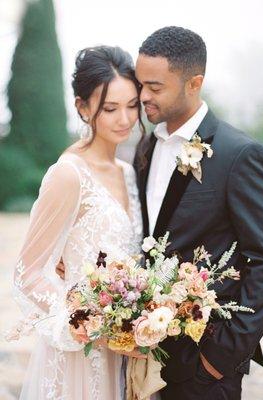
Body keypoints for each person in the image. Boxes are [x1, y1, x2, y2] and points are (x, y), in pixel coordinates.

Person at [132, 26, 263, 399]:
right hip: (141, 353)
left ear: (194, 83)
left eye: (155, 88)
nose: (143, 97)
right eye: (140, 85)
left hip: (204, 366)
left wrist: (220, 357)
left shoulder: (241, 155)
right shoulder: (146, 148)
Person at [13, 45, 145, 400]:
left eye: (133, 105)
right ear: (83, 107)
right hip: (79, 356)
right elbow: (28, 273)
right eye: (110, 108)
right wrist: (90, 324)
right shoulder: (68, 174)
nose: (125, 119)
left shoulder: (129, 173)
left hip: (126, 354)